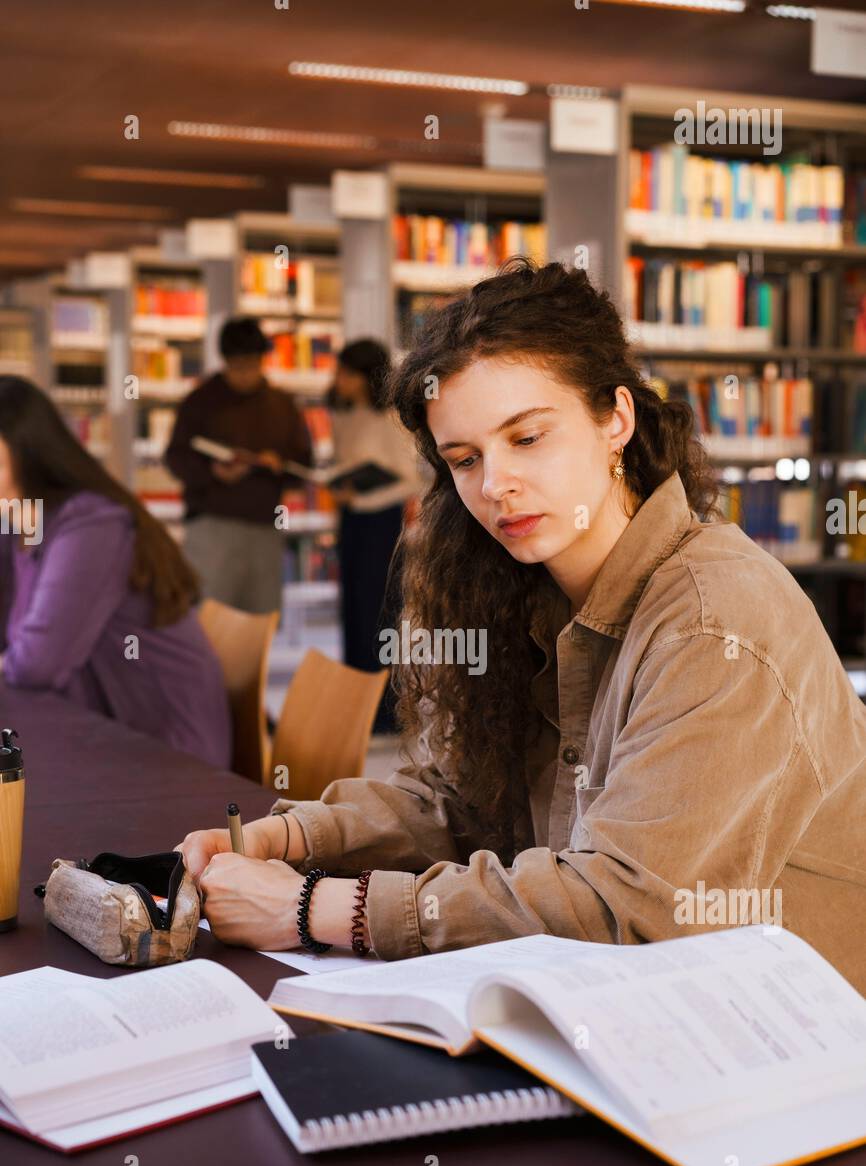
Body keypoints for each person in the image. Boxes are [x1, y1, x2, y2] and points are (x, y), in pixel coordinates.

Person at [177, 258, 866, 995]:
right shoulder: (532, 593)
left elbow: (623, 907)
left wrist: (317, 908)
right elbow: (469, 803)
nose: (494, 485)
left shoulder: (714, 623)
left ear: (617, 421)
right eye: (465, 459)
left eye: (529, 438)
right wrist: (290, 838)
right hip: (633, 1015)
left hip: (793, 1047)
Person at [0, 376, 231, 768]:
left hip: (169, 757)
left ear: (27, 451)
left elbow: (38, 662)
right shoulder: (21, 521)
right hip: (97, 733)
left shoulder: (91, 524)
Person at [164, 316, 313, 614]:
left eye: (252, 365)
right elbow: (175, 457)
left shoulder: (282, 405)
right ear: (224, 362)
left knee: (260, 621)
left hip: (265, 528)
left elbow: (304, 465)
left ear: (262, 360)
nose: (245, 375)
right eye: (237, 367)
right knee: (212, 619)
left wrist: (278, 465)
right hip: (212, 526)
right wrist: (213, 472)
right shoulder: (200, 401)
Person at [326, 339, 422, 733]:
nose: (339, 380)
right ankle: (354, 704)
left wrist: (361, 492)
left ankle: (384, 713)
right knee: (351, 611)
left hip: (381, 524)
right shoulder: (344, 415)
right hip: (351, 520)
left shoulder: (391, 420)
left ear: (367, 377)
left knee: (378, 612)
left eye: (347, 372)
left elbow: (407, 482)